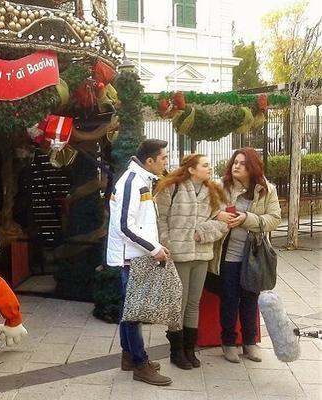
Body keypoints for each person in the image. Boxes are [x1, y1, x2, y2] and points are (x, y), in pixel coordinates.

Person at [106, 139, 172, 386]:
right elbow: (125, 226)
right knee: (134, 312)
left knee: (129, 310)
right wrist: (154, 249)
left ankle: (129, 357)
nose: (166, 161)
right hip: (131, 259)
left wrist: (155, 246)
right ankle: (140, 364)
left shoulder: (140, 179)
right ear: (150, 161)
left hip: (135, 256)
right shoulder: (133, 182)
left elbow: (139, 222)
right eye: (163, 158)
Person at [154, 154, 229, 370]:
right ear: (191, 169)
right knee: (179, 302)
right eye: (205, 165)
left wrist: (202, 232)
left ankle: (189, 348)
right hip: (178, 255)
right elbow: (160, 220)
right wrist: (168, 244)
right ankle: (176, 350)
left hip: (202, 255)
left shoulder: (214, 191)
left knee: (193, 303)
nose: (209, 168)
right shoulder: (171, 188)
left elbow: (222, 222)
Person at [212, 148, 281, 363]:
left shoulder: (266, 190)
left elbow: (274, 219)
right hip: (228, 255)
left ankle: (250, 342)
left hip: (253, 255)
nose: (236, 166)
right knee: (230, 299)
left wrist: (247, 218)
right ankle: (229, 342)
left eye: (242, 163)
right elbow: (206, 211)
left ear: (252, 167)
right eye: (235, 162)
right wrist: (219, 215)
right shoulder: (220, 188)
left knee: (250, 299)